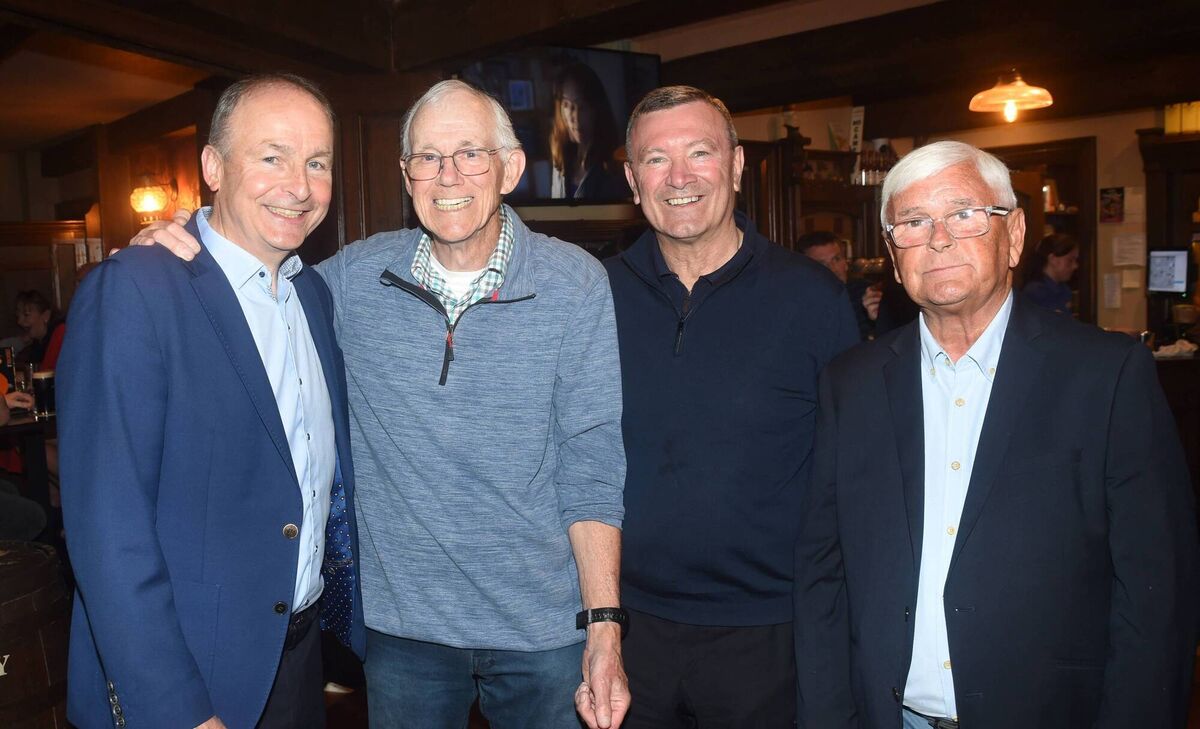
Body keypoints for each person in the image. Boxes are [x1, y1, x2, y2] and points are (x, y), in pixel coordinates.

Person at [132, 79, 629, 729]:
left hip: (542, 628)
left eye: (470, 153)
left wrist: (604, 628)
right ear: (405, 173)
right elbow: (251, 283)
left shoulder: (577, 283)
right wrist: (174, 243)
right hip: (402, 631)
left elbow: (590, 463)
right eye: (427, 156)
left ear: (509, 168)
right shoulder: (344, 281)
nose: (447, 174)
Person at [795, 140, 1198, 729]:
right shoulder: (849, 385)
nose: (938, 238)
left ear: (1013, 236)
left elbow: (1155, 589)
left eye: (963, 213)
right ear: (892, 251)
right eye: (912, 222)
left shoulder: (1105, 376)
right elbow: (821, 575)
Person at [59, 73, 365, 729]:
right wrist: (178, 711)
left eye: (318, 162)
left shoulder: (313, 297)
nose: (301, 185)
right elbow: (107, 534)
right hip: (189, 679)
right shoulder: (137, 289)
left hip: (297, 658)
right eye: (272, 156)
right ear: (213, 167)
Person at [606, 85, 858, 727]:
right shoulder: (591, 296)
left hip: (770, 633)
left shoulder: (813, 300)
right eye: (657, 160)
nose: (680, 176)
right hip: (625, 630)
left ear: (738, 165)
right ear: (634, 180)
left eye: (700, 152)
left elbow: (852, 479)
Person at [550, 63, 628, 200]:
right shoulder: (560, 161)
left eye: (582, 105)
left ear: (596, 108)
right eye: (567, 105)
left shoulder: (613, 168)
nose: (574, 116)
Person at [1022, 232, 1079, 313]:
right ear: (1053, 259)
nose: (1075, 266)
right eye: (1070, 260)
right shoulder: (1036, 292)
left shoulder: (1065, 290)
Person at [14, 289, 66, 370]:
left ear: (46, 316)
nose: (19, 322)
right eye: (18, 316)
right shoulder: (36, 344)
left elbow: (46, 371)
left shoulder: (60, 335)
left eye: (26, 315)